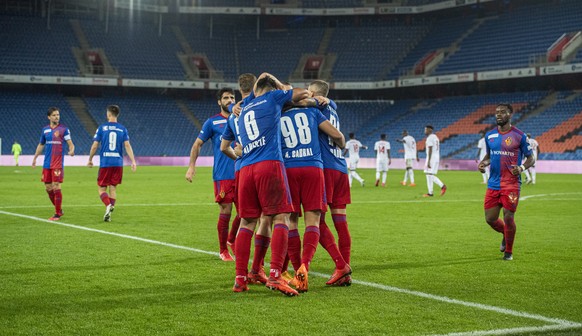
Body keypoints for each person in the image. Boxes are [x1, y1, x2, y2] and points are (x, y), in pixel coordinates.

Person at [227, 73, 311, 296]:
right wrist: (282, 86)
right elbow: (303, 93)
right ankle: (275, 276)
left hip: (245, 168)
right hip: (268, 164)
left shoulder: (243, 108)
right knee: (281, 217)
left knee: (247, 223)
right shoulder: (274, 97)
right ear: (272, 87)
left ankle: (240, 279)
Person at [281, 97, 345, 293]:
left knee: (291, 222)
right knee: (314, 222)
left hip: (289, 168)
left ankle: (298, 274)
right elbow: (339, 137)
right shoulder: (313, 112)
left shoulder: (277, 115)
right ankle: (305, 268)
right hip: (313, 168)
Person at [185, 88, 237, 262]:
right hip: (224, 174)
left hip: (244, 171)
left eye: (232, 97)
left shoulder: (242, 119)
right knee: (226, 210)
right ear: (219, 102)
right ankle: (223, 250)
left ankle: (231, 239)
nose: (229, 100)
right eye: (226, 98)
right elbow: (197, 144)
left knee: (248, 212)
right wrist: (192, 166)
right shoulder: (212, 122)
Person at [478, 103, 534, 261]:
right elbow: (489, 156)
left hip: (511, 184)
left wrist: (522, 167)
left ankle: (508, 252)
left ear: (510, 115)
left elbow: (531, 158)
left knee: (508, 217)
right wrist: (483, 163)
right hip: (493, 184)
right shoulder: (489, 135)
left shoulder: (520, 136)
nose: (498, 115)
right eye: (497, 112)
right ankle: (505, 233)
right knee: (490, 219)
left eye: (503, 112)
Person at [311, 79, 353, 287]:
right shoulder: (332, 109)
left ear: (315, 93)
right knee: (341, 223)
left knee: (316, 222)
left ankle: (340, 265)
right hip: (340, 168)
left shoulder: (317, 104)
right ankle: (346, 269)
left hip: (326, 167)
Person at [87, 105, 137, 222]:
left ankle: (108, 205)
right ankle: (110, 210)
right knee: (113, 188)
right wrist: (133, 161)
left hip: (106, 162)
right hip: (118, 163)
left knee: (101, 189)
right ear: (117, 115)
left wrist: (90, 159)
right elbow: (127, 145)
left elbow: (95, 145)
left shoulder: (102, 128)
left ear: (108, 114)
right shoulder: (123, 129)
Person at [32, 107, 75, 221]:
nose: (57, 117)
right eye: (54, 115)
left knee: (56, 186)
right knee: (48, 188)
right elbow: (41, 144)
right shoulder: (45, 130)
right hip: (47, 164)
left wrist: (71, 150)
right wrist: (35, 158)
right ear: (49, 117)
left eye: (58, 115)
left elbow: (70, 143)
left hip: (57, 164)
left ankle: (57, 213)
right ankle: (59, 209)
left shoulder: (64, 129)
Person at [423, 125, 446, 197]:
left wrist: (429, 160)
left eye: (426, 129)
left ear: (430, 130)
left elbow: (430, 149)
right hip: (436, 157)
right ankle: (430, 193)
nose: (425, 131)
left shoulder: (430, 138)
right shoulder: (435, 137)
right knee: (428, 174)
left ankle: (442, 186)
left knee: (429, 175)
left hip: (431, 158)